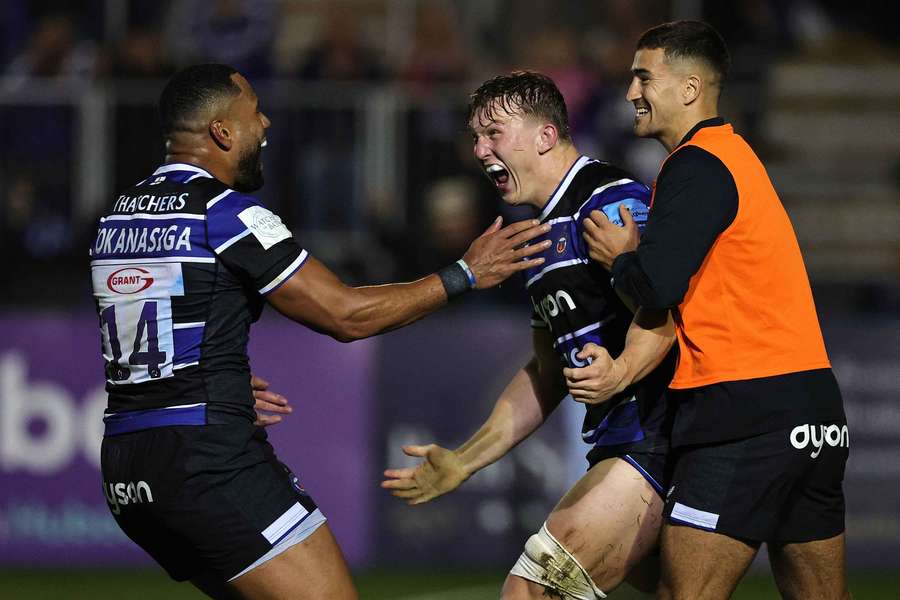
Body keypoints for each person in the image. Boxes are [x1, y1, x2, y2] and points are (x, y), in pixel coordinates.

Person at [89, 63, 551, 600]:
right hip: (206, 460)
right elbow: (344, 314)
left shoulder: (117, 217)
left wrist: (215, 382)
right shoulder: (224, 212)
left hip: (128, 469)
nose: (265, 125)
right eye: (254, 112)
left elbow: (157, 333)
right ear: (221, 131)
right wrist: (465, 274)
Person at [571, 21, 850, 600]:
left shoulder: (696, 162)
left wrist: (621, 259)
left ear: (691, 88)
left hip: (744, 413)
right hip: (813, 413)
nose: (630, 93)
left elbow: (658, 286)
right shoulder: (737, 157)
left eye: (644, 77)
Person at [382, 71, 677, 600]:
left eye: (494, 133)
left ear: (545, 135)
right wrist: (465, 460)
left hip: (660, 439)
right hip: (621, 441)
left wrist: (623, 370)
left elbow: (667, 315)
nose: (479, 150)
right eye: (475, 137)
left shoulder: (608, 201)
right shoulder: (538, 236)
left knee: (531, 590)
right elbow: (546, 372)